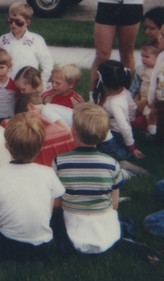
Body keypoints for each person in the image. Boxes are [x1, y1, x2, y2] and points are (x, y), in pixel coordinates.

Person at [0, 112, 65, 273]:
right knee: (58, 217)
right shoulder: (48, 173)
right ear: (40, 147)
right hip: (43, 248)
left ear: (6, 145)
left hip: (10, 245)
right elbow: (57, 205)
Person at [52, 103, 123, 255]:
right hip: (105, 230)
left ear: (73, 130)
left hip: (71, 228)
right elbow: (115, 204)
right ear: (104, 135)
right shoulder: (112, 164)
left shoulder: (59, 162)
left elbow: (56, 203)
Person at [94, 60, 145, 160]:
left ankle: (125, 152)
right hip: (120, 132)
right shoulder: (123, 90)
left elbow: (124, 127)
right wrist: (129, 119)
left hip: (115, 133)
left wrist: (132, 148)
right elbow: (133, 108)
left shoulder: (114, 104)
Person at [0, 1, 53, 86]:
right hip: (6, 85)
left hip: (28, 85)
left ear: (27, 22)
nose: (13, 24)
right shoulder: (3, 40)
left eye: (18, 22)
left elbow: (47, 64)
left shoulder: (36, 40)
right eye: (10, 20)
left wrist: (41, 83)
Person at [129, 41, 160, 134]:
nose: (143, 59)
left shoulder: (159, 71)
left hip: (152, 100)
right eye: (142, 56)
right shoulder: (141, 69)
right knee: (134, 112)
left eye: (147, 57)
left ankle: (151, 131)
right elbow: (135, 87)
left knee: (149, 115)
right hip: (141, 97)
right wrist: (133, 98)